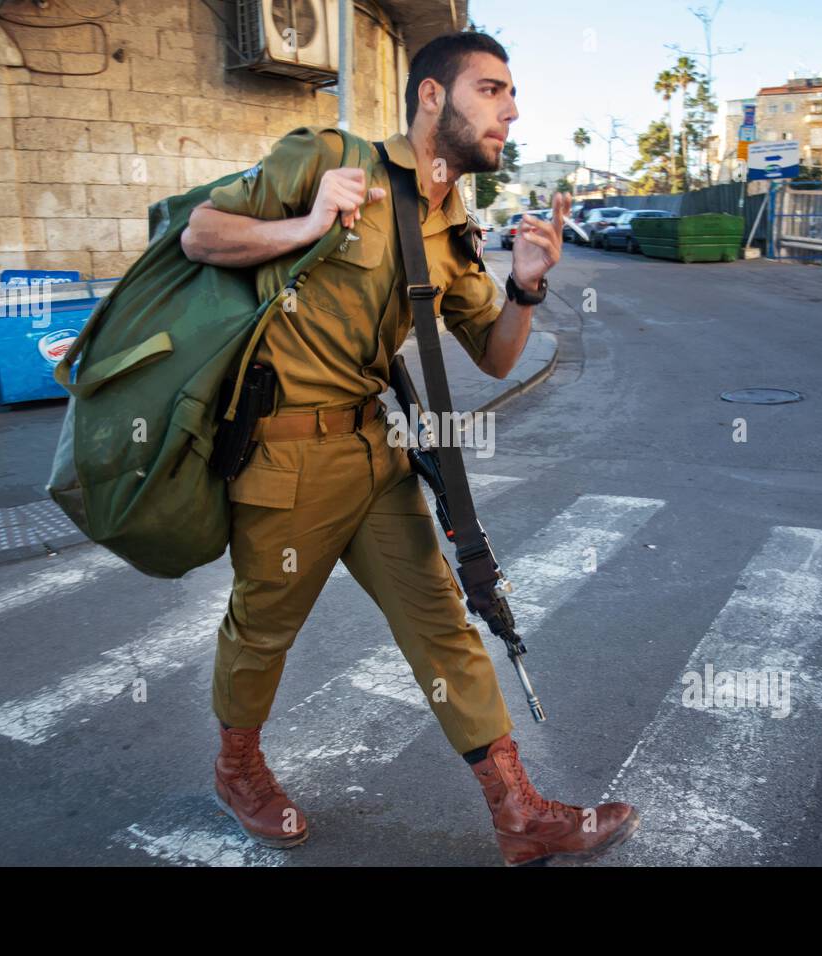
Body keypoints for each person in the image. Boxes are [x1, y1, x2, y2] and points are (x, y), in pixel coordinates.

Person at [180, 30, 639, 866]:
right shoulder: (326, 156)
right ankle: (236, 767)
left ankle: (519, 814)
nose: (512, 109)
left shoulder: (453, 226)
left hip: (374, 452)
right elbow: (201, 235)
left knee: (443, 628)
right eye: (493, 90)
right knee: (263, 631)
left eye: (511, 94)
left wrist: (527, 284)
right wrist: (308, 224)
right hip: (285, 459)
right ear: (433, 96)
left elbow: (495, 355)